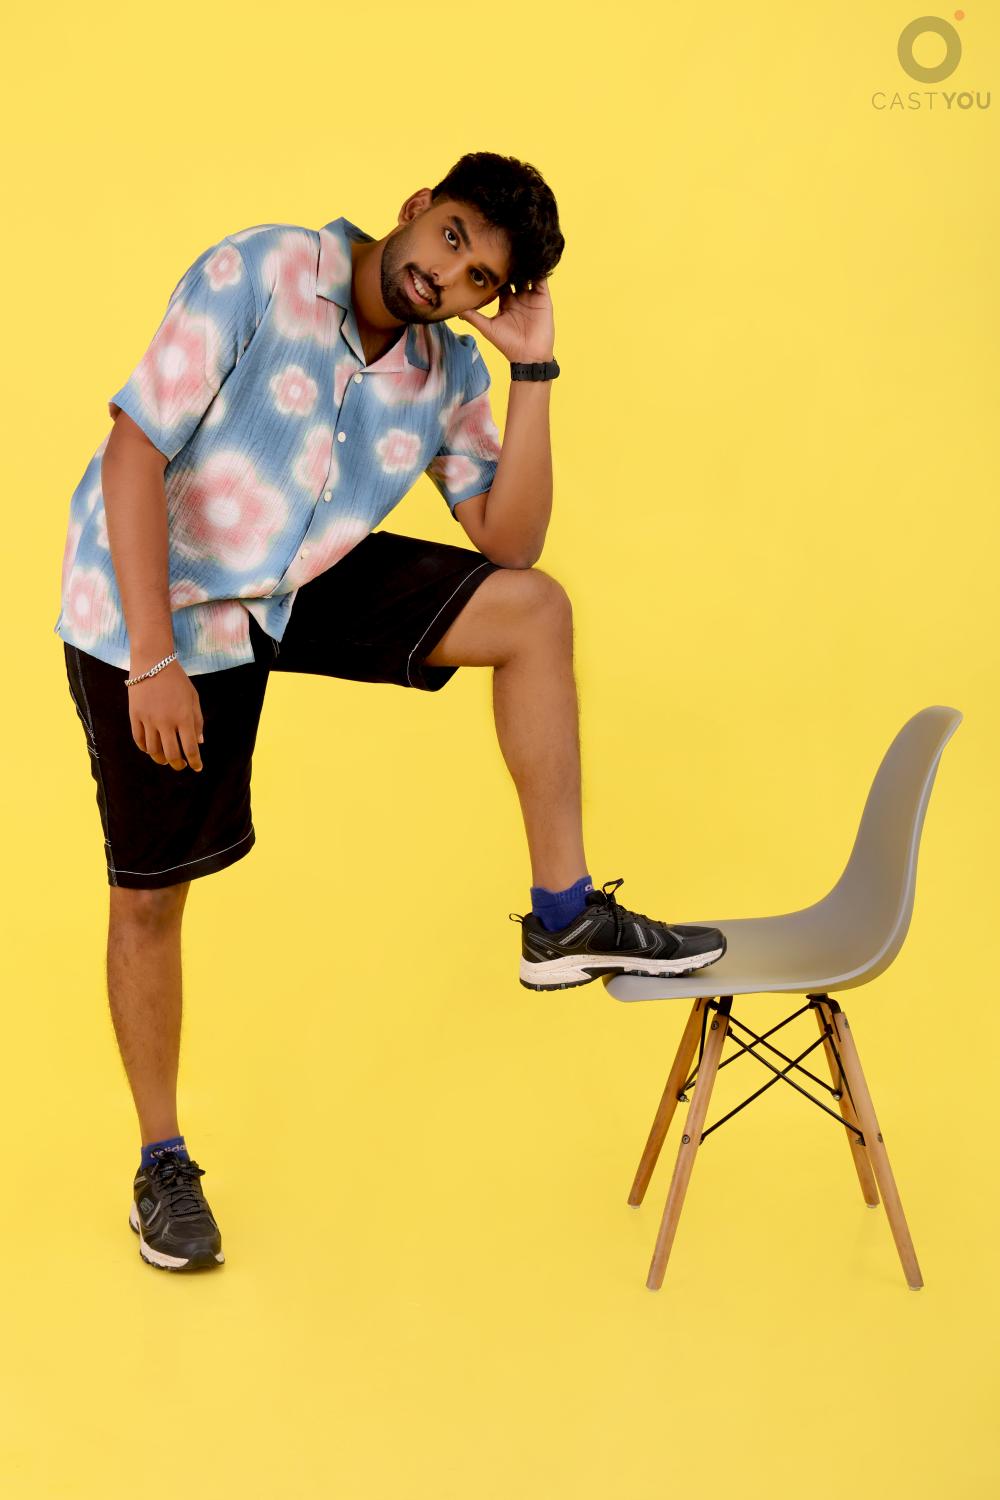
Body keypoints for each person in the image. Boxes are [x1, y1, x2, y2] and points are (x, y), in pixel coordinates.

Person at [55, 150, 727, 1273]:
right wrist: (153, 661)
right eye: (452, 238)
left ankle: (563, 914)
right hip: (157, 602)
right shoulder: (261, 270)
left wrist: (533, 369)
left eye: (480, 278)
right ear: (417, 209)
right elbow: (131, 456)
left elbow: (510, 541)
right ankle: (161, 1164)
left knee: (534, 610)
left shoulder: (445, 370)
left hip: (297, 576)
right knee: (152, 898)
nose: (447, 277)